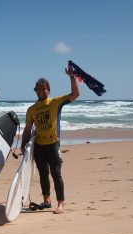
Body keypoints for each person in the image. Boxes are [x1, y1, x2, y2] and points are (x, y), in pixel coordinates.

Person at [20, 65, 80, 214]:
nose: (41, 91)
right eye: (39, 89)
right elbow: (27, 129)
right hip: (39, 146)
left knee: (56, 173)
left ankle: (61, 203)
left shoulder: (55, 102)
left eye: (44, 89)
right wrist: (23, 146)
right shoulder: (32, 109)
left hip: (53, 144)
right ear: (35, 91)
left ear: (49, 90)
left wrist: (72, 77)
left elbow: (75, 94)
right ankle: (47, 200)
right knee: (42, 174)